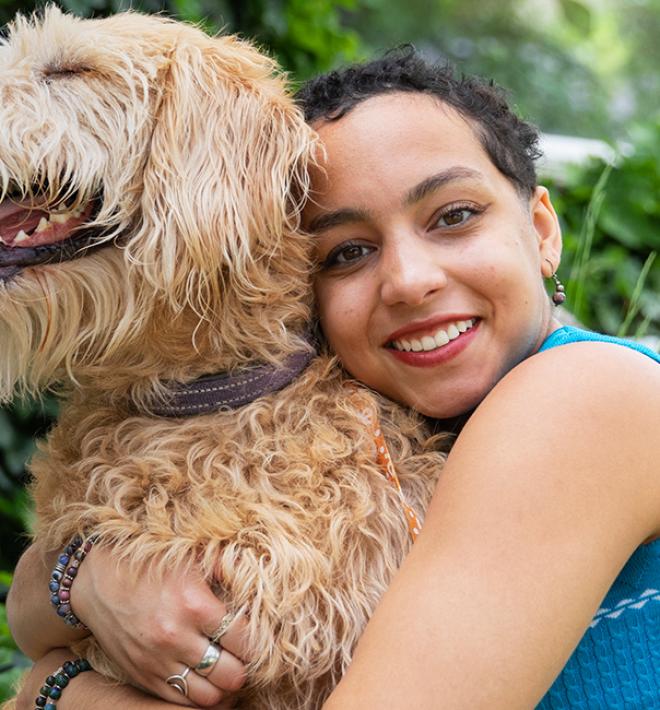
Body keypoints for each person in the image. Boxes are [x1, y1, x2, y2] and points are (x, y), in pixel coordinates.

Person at [9, 48, 660, 709]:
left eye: (454, 216)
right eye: (348, 253)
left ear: (543, 230)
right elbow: (31, 607)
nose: (409, 281)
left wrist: (62, 692)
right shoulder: (377, 431)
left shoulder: (586, 395)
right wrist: (83, 576)